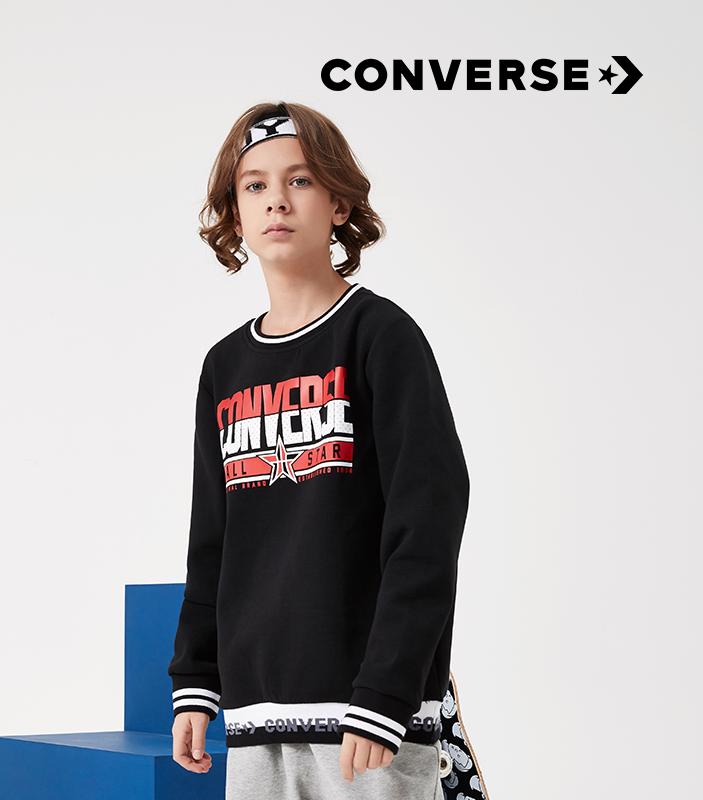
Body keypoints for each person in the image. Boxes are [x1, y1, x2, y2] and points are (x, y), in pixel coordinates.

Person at [168, 101, 470, 800]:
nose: (277, 199)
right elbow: (212, 538)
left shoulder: (380, 336)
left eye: (300, 180)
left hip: (368, 713)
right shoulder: (224, 366)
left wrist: (388, 688)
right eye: (255, 185)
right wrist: (196, 680)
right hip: (257, 709)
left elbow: (427, 524)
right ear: (235, 214)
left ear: (338, 203)